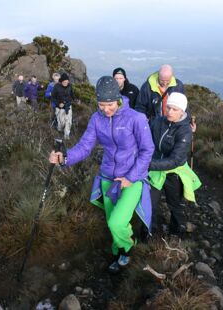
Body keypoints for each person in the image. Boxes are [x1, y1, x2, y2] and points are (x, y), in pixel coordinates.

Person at [49, 76, 154, 273]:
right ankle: (118, 253)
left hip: (131, 180)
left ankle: (129, 246)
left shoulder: (135, 119)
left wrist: (130, 177)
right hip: (107, 178)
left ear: (118, 99)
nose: (106, 109)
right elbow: (85, 146)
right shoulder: (97, 119)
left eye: (110, 104)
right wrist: (65, 158)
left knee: (117, 222)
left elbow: (147, 151)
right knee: (111, 222)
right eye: (101, 104)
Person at [148, 92, 201, 235]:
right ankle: (148, 235)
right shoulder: (158, 121)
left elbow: (175, 160)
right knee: (149, 205)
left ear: (182, 111)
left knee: (175, 205)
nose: (170, 112)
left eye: (174, 109)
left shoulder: (185, 130)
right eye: (168, 107)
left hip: (173, 172)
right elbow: (144, 134)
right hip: (155, 167)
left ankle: (176, 234)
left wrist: (148, 164)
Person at [51, 73, 75, 140]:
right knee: (61, 124)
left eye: (67, 82)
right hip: (59, 108)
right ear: (61, 81)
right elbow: (53, 97)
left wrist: (75, 100)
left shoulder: (70, 86)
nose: (66, 83)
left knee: (68, 122)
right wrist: (58, 104)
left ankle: (66, 137)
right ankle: (60, 133)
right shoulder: (56, 86)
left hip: (68, 106)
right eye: (64, 82)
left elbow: (72, 95)